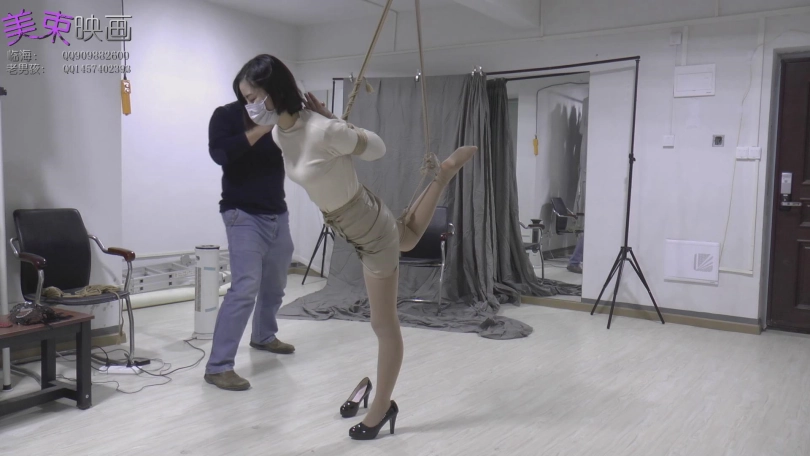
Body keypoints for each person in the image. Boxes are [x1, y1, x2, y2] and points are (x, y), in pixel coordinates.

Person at [234, 54, 476, 440]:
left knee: (384, 323)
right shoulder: (280, 135)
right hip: (351, 223)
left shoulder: (322, 130)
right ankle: (443, 174)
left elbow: (377, 149)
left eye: (253, 98)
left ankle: (381, 407)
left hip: (368, 226)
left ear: (274, 91)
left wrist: (334, 120)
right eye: (245, 100)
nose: (250, 107)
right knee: (407, 238)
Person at [203, 78, 295, 392]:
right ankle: (218, 367)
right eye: (247, 96)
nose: (253, 101)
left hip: (277, 212)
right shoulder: (226, 115)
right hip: (241, 213)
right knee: (244, 287)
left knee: (276, 283)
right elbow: (220, 153)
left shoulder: (282, 118)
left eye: (257, 95)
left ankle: (264, 336)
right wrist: (260, 129)